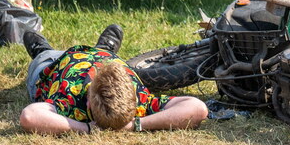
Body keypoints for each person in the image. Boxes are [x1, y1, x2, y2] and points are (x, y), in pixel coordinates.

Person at [19, 24, 208, 135]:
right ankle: (105, 49)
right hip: (96, 59)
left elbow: (30, 116)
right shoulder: (143, 101)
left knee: (43, 59)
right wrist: (137, 124)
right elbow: (197, 108)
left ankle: (41, 49)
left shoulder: (71, 106)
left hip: (55, 66)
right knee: (102, 53)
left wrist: (85, 128)